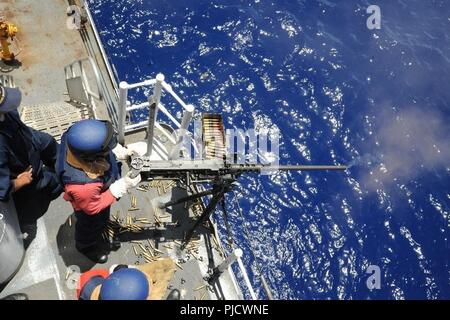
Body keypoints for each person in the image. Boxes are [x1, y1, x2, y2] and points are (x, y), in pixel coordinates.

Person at [56, 119, 141, 263]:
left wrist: (117, 150)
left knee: (101, 219)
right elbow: (92, 207)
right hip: (89, 204)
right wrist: (122, 186)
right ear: (94, 158)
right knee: (92, 224)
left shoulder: (73, 136)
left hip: (92, 189)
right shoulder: (84, 185)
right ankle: (85, 246)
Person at [0, 85, 62, 244]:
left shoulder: (8, 113)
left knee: (49, 143)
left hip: (28, 139)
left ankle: (63, 172)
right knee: (34, 203)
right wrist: (17, 182)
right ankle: (26, 224)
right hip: (23, 171)